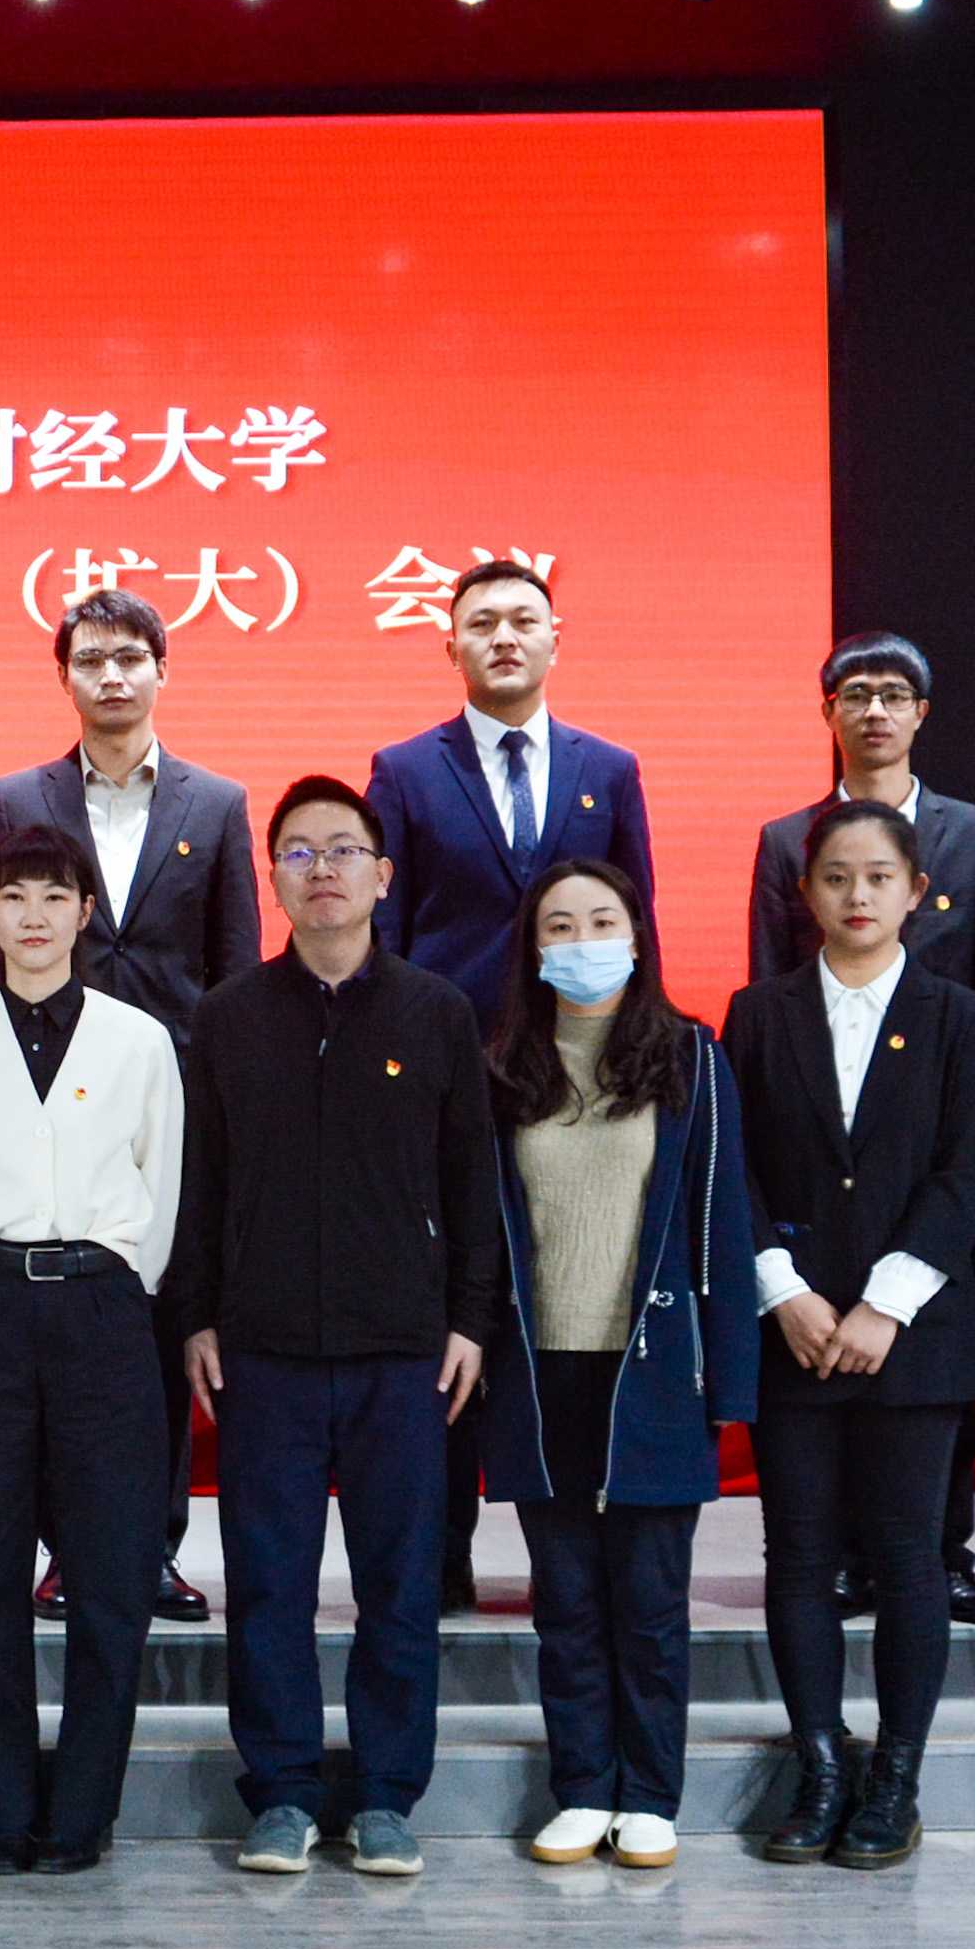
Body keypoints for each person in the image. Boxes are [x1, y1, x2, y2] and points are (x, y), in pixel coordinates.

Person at [169, 777, 498, 1878]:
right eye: (299, 851)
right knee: (268, 1585)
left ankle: (388, 1795)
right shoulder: (227, 1017)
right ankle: (282, 1791)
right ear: (271, 877)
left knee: (400, 1585)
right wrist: (197, 1315)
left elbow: (473, 1182)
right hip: (261, 1349)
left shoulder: (437, 1013)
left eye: (344, 849)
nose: (323, 869)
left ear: (382, 875)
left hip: (404, 1352)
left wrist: (469, 1319)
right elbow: (200, 1184)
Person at [0, 586, 257, 1630]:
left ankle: (150, 1547)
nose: (113, 675)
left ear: (161, 671)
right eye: (91, 659)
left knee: (159, 1323)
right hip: (44, 1098)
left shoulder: (216, 804)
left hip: (170, 1101)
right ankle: (61, 1552)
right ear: (66, 677)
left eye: (131, 657)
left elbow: (234, 969)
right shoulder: (16, 797)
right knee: (46, 1340)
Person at [365, 563, 653, 1612]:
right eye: (480, 622)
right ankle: (440, 1551)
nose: (503, 637)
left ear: (554, 639)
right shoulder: (404, 770)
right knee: (450, 1306)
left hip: (576, 1081)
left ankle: (575, 1545)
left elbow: (636, 921)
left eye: (523, 620)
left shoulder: (607, 769)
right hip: (447, 1077)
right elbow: (387, 935)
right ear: (450, 645)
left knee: (565, 1302)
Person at [726, 802, 975, 1870]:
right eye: (835, 876)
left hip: (913, 1337)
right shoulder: (757, 1014)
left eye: (878, 876)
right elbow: (733, 1171)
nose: (856, 895)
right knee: (797, 1557)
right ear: (805, 892)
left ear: (916, 891)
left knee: (906, 1557)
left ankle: (895, 1779)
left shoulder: (960, 1018)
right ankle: (820, 1766)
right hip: (790, 1330)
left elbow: (963, 1173)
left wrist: (887, 1302)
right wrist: (782, 1292)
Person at [477, 859, 756, 1872]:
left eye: (602, 920)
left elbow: (724, 1223)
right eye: (560, 925)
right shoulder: (501, 1068)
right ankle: (583, 1787)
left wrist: (732, 1384)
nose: (582, 940)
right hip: (540, 1370)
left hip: (655, 1368)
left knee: (648, 1603)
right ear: (533, 948)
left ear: (637, 937)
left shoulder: (690, 1059)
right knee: (564, 1601)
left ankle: (649, 1794)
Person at [745, 634, 975, 1631]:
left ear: (920, 713)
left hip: (939, 1123)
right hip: (818, 1132)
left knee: (933, 1356)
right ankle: (845, 1560)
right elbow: (769, 987)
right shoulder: (786, 838)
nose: (874, 710)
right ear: (826, 710)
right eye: (855, 694)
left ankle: (943, 1555)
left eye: (894, 694)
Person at [0, 823, 186, 1874]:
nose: (33, 916)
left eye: (53, 897)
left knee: (111, 1578)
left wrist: (119, 1286)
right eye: (13, 897)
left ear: (85, 913)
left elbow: (163, 1184)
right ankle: (4, 1810)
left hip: (105, 1313)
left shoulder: (140, 1040)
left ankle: (81, 1814)